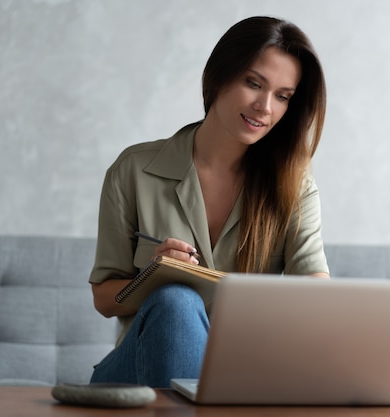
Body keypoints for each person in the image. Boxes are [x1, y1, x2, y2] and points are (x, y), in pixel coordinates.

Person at [88, 16, 330, 388]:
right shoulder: (134, 170)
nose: (265, 106)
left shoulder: (295, 188)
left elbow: (314, 291)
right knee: (175, 301)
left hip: (243, 375)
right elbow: (104, 299)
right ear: (218, 76)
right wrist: (151, 279)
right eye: (253, 83)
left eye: (282, 96)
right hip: (136, 377)